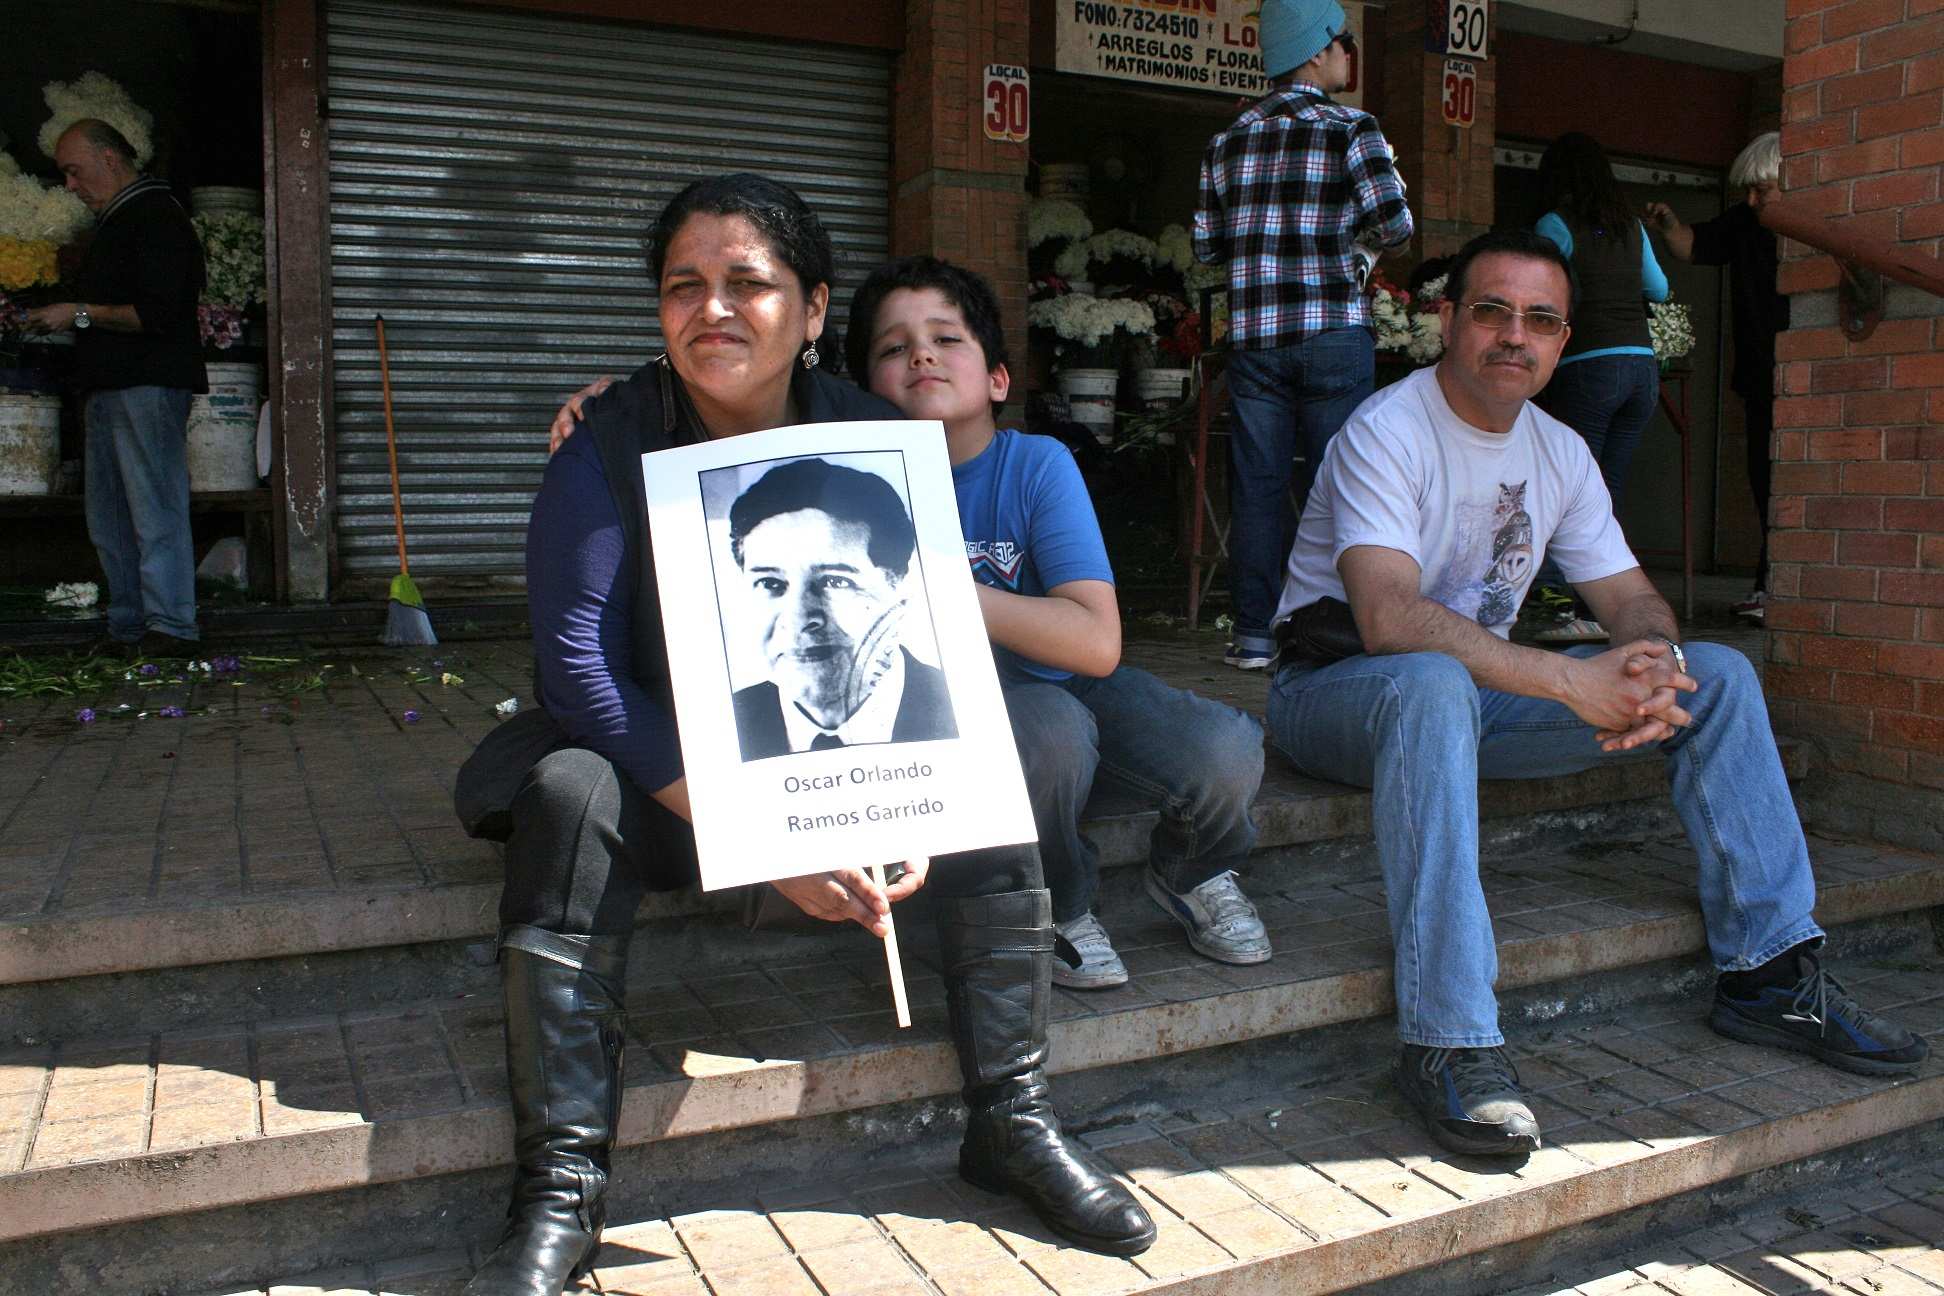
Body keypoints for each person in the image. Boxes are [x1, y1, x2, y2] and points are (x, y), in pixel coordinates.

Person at [457, 174, 1154, 1296]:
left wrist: (923, 798)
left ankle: (1013, 1120)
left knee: (997, 757)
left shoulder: (880, 438)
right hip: (672, 774)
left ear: (815, 308)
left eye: (750, 283)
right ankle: (562, 1185)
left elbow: (930, 638)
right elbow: (578, 669)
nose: (713, 309)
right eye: (685, 285)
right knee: (567, 792)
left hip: (834, 775)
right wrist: (763, 835)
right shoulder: (608, 439)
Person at [1262, 229, 1927, 1158]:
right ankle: (1449, 1039)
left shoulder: (1561, 451)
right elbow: (1389, 617)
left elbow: (1626, 597)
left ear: (1563, 341)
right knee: (1427, 683)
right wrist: (1572, 681)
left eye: (1540, 320)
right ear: (1445, 320)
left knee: (1721, 673)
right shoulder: (1388, 429)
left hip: (1469, 702)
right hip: (1337, 695)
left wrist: (1651, 667)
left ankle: (1770, 975)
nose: (1514, 336)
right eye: (1491, 310)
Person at [844, 255, 1270, 989]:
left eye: (947, 338)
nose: (920, 354)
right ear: (861, 391)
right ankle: (1063, 904)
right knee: (1049, 727)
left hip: (1071, 687)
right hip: (950, 722)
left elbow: (1095, 643)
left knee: (1225, 745)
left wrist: (940, 587)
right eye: (892, 347)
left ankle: (1194, 869)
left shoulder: (1035, 465)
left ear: (999, 379)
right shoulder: (850, 480)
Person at [1193, 0, 1414, 671]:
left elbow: (1207, 250)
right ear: (1317, 51)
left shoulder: (1226, 141)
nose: (1352, 54)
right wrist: (1359, 257)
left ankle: (1255, 637)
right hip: (1331, 335)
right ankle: (1339, 633)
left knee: (1256, 491)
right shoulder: (1353, 129)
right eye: (1345, 41)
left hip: (1257, 341)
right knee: (1344, 486)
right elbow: (1397, 225)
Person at [24, 119, 205, 652]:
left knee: (154, 508)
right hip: (108, 385)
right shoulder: (119, 221)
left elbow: (158, 313)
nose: (70, 186)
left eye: (74, 172)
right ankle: (129, 626)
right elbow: (107, 315)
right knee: (111, 517)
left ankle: (172, 627)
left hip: (146, 384)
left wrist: (75, 312)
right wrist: (70, 318)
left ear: (109, 158)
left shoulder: (155, 216)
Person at [1526, 132, 1671, 646]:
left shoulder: (1556, 223)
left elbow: (1539, 285)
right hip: (1641, 369)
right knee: (1603, 491)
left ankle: (1550, 601)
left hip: (1588, 366)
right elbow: (1659, 288)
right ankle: (1597, 603)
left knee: (1562, 485)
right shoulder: (1631, 226)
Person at [724, 456, 957, 759]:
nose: (798, 618)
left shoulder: (962, 703)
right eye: (771, 584)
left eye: (835, 581)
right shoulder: (722, 725)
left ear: (899, 586)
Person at [1646, 132, 1788, 625]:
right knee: (1764, 483)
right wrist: (1669, 225)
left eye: (1760, 190)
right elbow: (1693, 245)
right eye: (1746, 190)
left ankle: (1778, 589)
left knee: (1786, 485)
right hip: (1758, 374)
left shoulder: (1811, 231)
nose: (1751, 200)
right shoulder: (1746, 222)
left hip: (1799, 375)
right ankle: (1768, 587)